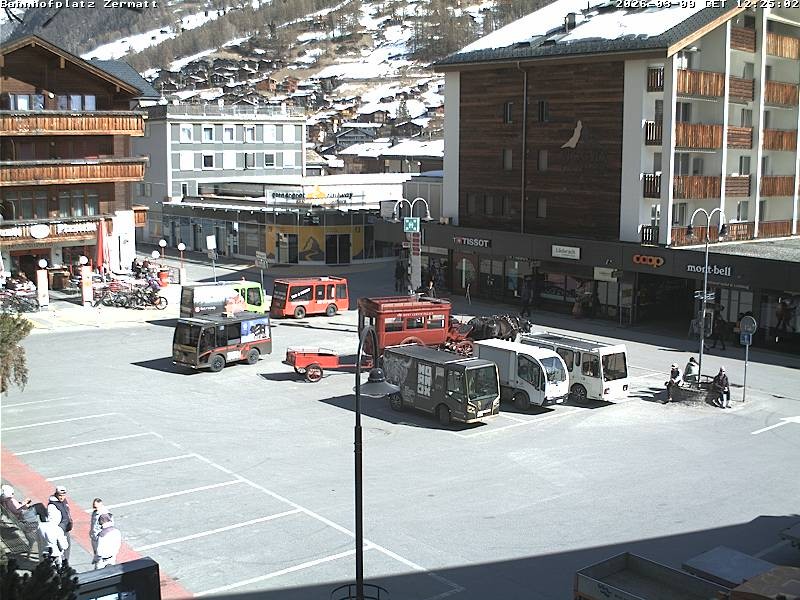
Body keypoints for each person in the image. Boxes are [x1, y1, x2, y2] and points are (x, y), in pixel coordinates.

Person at [1, 484, 38, 555]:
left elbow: (15, 509)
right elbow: (17, 511)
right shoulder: (10, 501)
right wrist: (24, 505)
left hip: (18, 517)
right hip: (23, 518)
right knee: (39, 507)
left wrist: (23, 504)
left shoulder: (4, 501)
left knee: (37, 507)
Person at [36, 503, 68, 567]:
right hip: (55, 555)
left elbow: (38, 540)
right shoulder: (57, 529)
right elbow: (64, 546)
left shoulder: (40, 526)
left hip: (44, 554)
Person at [48, 485, 73, 562]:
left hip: (66, 528)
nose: (62, 497)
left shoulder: (64, 501)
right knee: (61, 549)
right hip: (59, 531)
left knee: (67, 548)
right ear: (56, 494)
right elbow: (52, 521)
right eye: (60, 495)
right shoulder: (52, 506)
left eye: (63, 495)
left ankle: (65, 563)